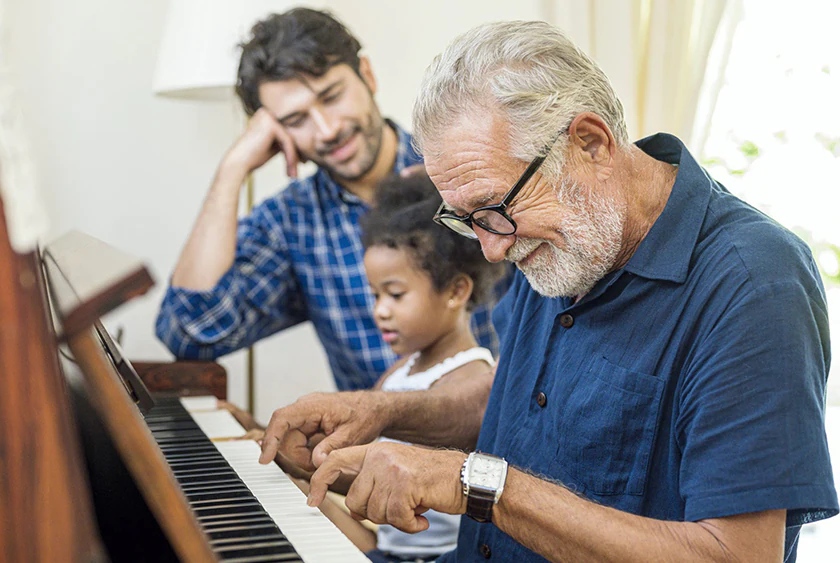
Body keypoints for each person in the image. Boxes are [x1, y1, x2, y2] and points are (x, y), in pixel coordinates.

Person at [257, 20, 837, 563]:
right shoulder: (566, 237)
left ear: (590, 142)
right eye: (466, 220)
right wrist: (382, 412)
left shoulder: (754, 283)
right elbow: (518, 406)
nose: (490, 248)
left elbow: (734, 554)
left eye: (493, 211)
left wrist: (474, 484)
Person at [155, 8, 505, 391]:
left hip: (502, 432)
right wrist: (232, 169)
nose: (327, 130)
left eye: (332, 96)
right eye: (295, 120)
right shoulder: (292, 222)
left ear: (366, 75)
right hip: (371, 446)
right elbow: (190, 333)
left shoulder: (461, 170)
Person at [360, 174, 503, 562]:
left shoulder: (472, 378)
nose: (380, 311)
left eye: (395, 294)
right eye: (375, 295)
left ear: (456, 291)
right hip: (388, 548)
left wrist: (310, 462)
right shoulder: (398, 372)